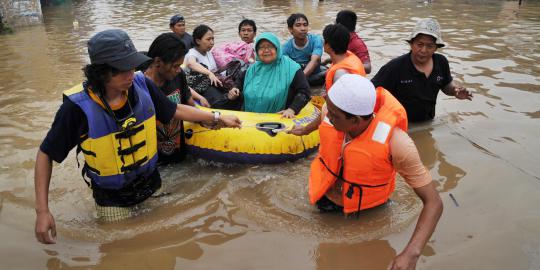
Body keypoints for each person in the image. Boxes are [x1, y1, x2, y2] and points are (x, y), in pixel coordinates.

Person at [34, 29, 242, 244]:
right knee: (122, 249)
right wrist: (42, 211)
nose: (130, 74)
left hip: (151, 184)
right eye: (122, 69)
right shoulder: (76, 108)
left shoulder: (141, 84)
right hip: (113, 199)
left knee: (164, 245)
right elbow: (45, 154)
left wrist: (217, 117)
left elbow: (174, 110)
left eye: (132, 66)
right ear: (101, 71)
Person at [309, 74, 443, 269]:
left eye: (334, 115)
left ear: (355, 120)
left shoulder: (397, 144)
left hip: (368, 212)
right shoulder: (332, 111)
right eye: (328, 110)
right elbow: (321, 118)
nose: (327, 116)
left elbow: (434, 203)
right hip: (326, 200)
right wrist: (303, 129)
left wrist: (411, 253)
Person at [372, 18, 472, 123]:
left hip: (427, 122)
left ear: (436, 47)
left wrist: (455, 90)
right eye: (419, 45)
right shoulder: (395, 67)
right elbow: (371, 91)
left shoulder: (441, 62)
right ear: (411, 44)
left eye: (430, 46)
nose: (424, 50)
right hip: (399, 124)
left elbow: (446, 84)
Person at [143, 32, 210, 164]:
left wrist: (205, 118)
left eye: (180, 65)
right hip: (153, 160)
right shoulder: (140, 86)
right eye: (175, 66)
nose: (179, 69)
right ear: (158, 62)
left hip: (177, 151)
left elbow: (189, 103)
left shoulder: (178, 76)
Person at [288, 24, 366, 136]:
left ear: (328, 46)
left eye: (324, 41)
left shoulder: (340, 74)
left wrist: (306, 129)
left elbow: (334, 111)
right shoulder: (350, 57)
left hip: (341, 128)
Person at [240, 32, 310, 118]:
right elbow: (240, 82)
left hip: (280, 117)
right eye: (261, 47)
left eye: (270, 46)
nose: (266, 50)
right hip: (251, 117)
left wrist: (292, 109)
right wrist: (235, 88)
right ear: (257, 51)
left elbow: (304, 92)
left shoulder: (291, 68)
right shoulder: (252, 69)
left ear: (277, 48)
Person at [185, 24, 241, 109]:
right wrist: (209, 73)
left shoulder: (209, 53)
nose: (212, 42)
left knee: (238, 93)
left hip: (214, 82)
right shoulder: (192, 53)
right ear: (198, 41)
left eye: (213, 39)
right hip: (201, 86)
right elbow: (191, 63)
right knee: (223, 101)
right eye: (208, 39)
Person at [282, 13, 326, 87]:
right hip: (298, 79)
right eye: (298, 25)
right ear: (290, 29)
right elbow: (284, 69)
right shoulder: (286, 48)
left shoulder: (316, 40)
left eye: (305, 25)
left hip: (315, 76)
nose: (303, 28)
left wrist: (300, 80)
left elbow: (314, 61)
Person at [335, 10, 372, 74]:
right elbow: (341, 56)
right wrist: (326, 61)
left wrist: (344, 65)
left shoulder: (357, 44)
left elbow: (368, 68)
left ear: (339, 25)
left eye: (335, 23)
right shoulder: (342, 39)